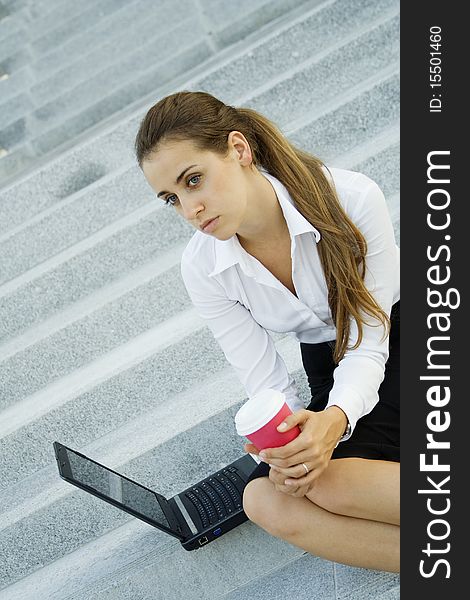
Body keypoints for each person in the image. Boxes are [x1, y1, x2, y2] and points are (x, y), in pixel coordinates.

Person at [134, 91, 400, 573]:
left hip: (399, 337)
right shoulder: (203, 266)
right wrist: (283, 439)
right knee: (266, 498)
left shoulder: (351, 198)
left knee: (325, 483)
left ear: (238, 149)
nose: (189, 209)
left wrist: (334, 421)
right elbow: (266, 383)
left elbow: (370, 338)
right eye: (172, 198)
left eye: (194, 181)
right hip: (329, 362)